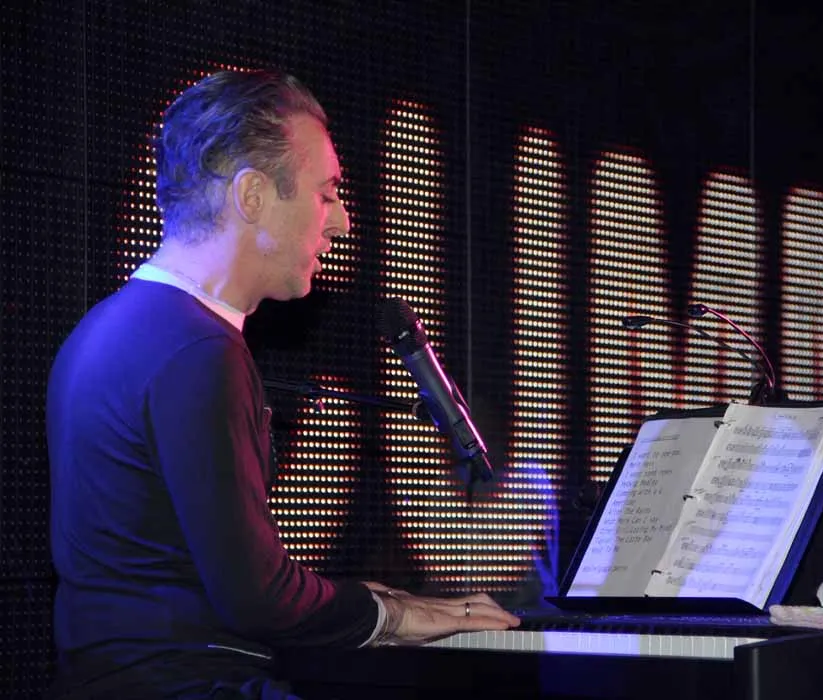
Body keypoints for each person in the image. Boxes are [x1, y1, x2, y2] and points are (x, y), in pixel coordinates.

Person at [46, 69, 520, 699]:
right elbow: (257, 595)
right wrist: (395, 615)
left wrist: (373, 599)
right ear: (253, 195)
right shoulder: (199, 352)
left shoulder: (105, 328)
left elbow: (178, 566)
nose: (341, 221)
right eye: (327, 194)